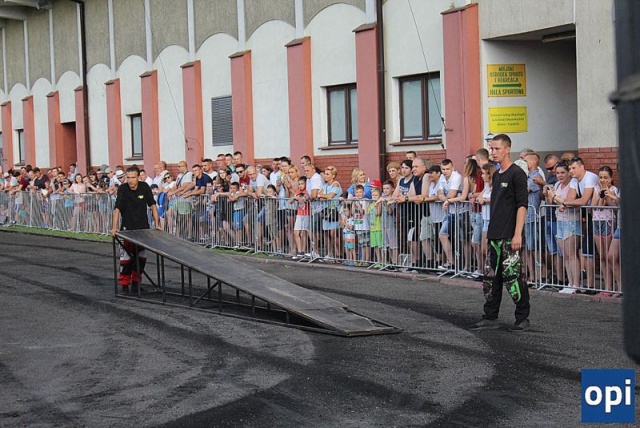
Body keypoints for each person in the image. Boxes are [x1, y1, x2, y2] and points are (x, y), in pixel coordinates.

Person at [469, 134, 530, 332]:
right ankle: (490, 316)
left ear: (507, 149)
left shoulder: (517, 174)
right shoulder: (496, 175)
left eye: (496, 149)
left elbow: (522, 206)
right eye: (491, 149)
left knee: (513, 277)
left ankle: (522, 318)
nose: (493, 152)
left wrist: (517, 234)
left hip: (510, 235)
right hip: (494, 234)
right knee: (490, 278)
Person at [110, 166, 161, 294]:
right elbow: (117, 209)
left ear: (138, 177)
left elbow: (153, 206)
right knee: (126, 259)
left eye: (133, 178)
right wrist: (114, 227)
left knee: (141, 258)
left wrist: (157, 224)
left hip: (143, 229)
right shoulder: (123, 189)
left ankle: (136, 284)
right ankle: (124, 285)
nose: (130, 180)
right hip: (127, 229)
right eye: (128, 178)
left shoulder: (144, 187)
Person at [546, 161, 581, 294]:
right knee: (565, 255)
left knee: (571, 254)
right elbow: (552, 202)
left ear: (568, 173)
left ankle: (576, 284)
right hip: (559, 219)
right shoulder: (557, 184)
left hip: (571, 220)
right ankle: (570, 283)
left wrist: (555, 196)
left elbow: (568, 201)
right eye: (557, 173)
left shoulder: (573, 184)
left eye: (563, 173)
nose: (560, 175)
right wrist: (548, 195)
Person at [590, 166, 619, 295]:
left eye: (606, 177)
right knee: (601, 255)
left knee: (608, 256)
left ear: (611, 178)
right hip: (596, 221)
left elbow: (611, 207)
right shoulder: (596, 189)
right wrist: (600, 194)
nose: (603, 180)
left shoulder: (613, 190)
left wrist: (607, 196)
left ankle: (611, 286)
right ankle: (606, 286)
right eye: (601, 177)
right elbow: (593, 206)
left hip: (608, 221)